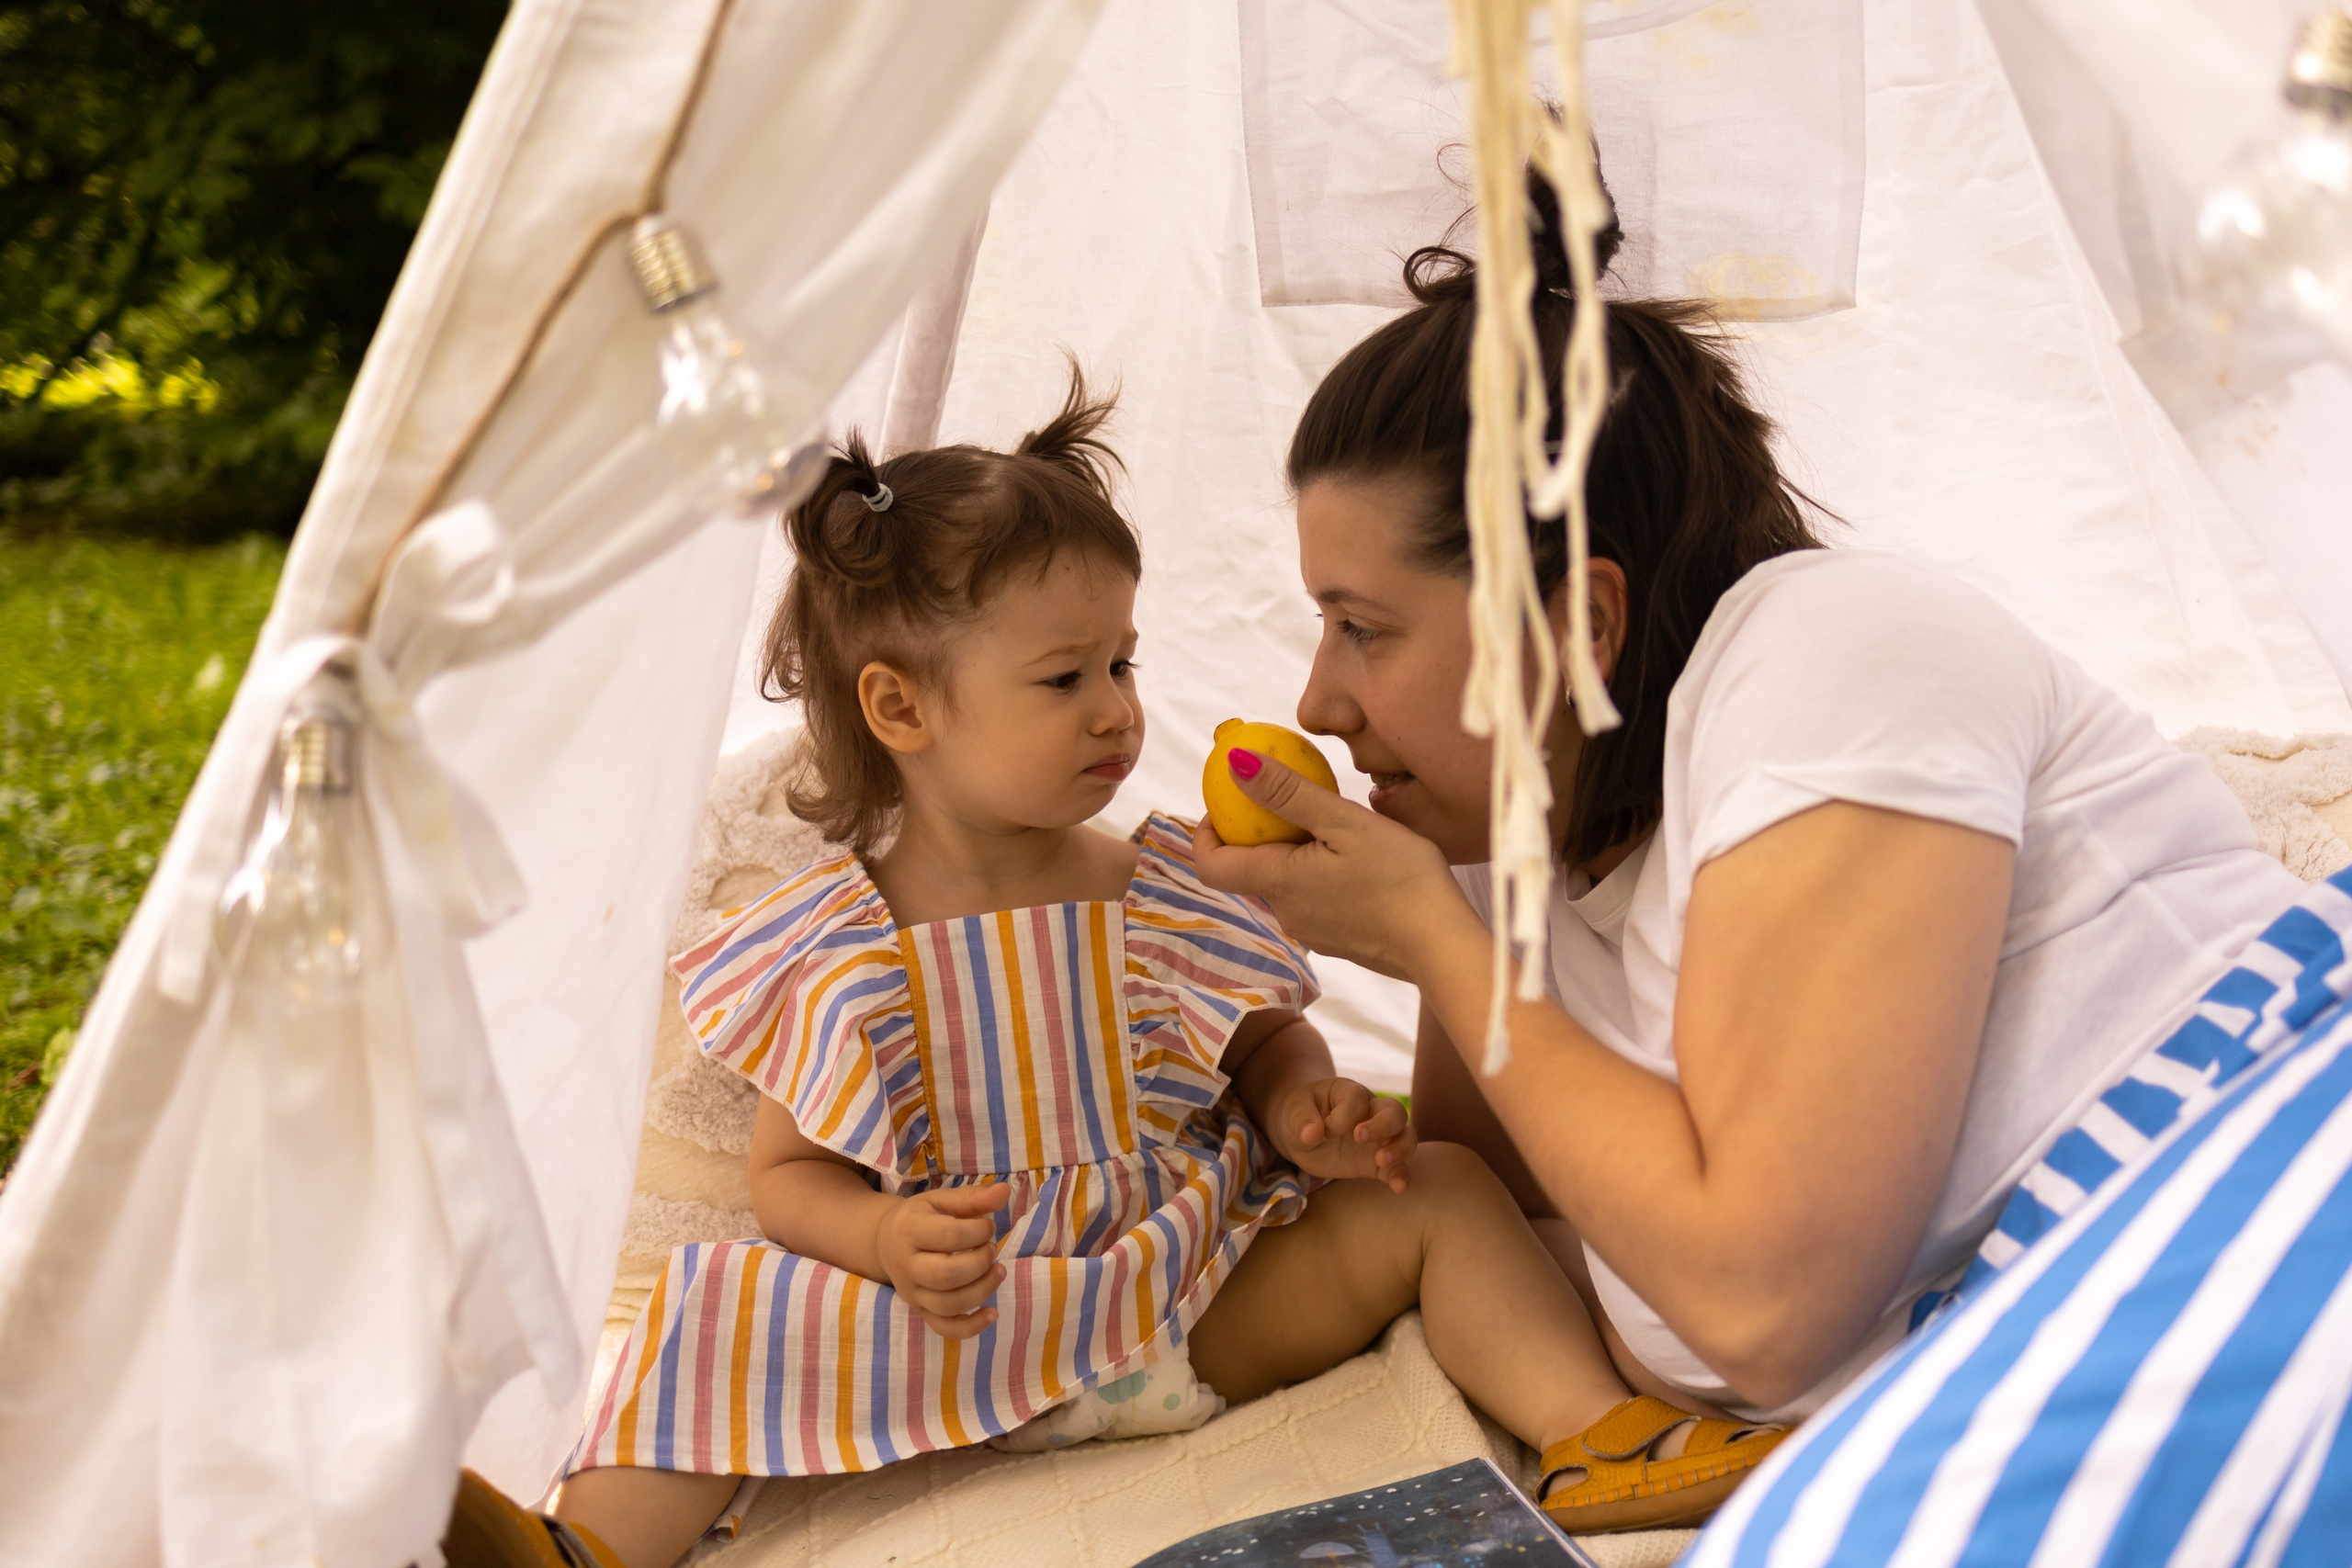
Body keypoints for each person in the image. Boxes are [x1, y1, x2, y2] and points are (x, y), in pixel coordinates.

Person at [450, 372, 1779, 1568]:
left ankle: (1602, 1437)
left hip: (1177, 1304)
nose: (1120, 708)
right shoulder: (837, 941)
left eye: (1124, 661)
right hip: (944, 1338)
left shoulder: (1160, 883)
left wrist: (1298, 1102)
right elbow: (785, 1178)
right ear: (902, 709)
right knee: (717, 1309)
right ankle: (586, 1552)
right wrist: (880, 1238)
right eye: (1064, 677)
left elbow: (1257, 1042)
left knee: (1438, 1187)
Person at [1192, 193, 2307, 1438]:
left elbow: (1765, 1310)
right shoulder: (1524, 850)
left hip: (2279, 1201)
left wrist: (1432, 943)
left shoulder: (1832, 654)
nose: (1318, 701)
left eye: (1362, 627)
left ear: (1577, 627)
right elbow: (1510, 1207)